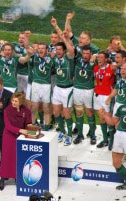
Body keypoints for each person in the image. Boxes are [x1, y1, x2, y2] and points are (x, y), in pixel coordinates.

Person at [0, 92, 32, 190]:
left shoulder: (26, 111)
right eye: (13, 100)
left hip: (21, 137)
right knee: (6, 158)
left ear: (21, 102)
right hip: (9, 136)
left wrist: (30, 127)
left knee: (18, 158)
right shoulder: (7, 110)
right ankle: (3, 178)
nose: (13, 102)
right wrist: (20, 130)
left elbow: (28, 122)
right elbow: (8, 126)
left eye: (16, 101)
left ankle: (17, 177)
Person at [50, 17, 75, 145]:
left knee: (66, 113)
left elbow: (71, 48)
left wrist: (57, 28)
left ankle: (69, 135)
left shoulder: (69, 57)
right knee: (56, 112)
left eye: (60, 50)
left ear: (64, 51)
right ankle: (62, 131)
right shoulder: (55, 59)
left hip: (68, 89)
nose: (58, 51)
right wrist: (55, 26)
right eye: (56, 50)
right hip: (58, 88)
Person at [73, 45, 97, 145]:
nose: (85, 55)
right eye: (84, 53)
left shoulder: (95, 62)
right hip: (77, 89)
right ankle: (80, 134)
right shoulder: (77, 60)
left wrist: (95, 55)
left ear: (91, 54)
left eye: (87, 53)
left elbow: (102, 53)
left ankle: (92, 134)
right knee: (78, 113)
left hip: (88, 90)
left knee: (89, 112)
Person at [28, 43, 54, 130]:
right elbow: (27, 48)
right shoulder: (34, 57)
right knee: (33, 108)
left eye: (43, 48)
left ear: (47, 50)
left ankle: (46, 129)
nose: (41, 50)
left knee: (46, 108)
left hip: (46, 86)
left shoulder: (51, 59)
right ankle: (33, 128)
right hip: (36, 84)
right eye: (39, 48)